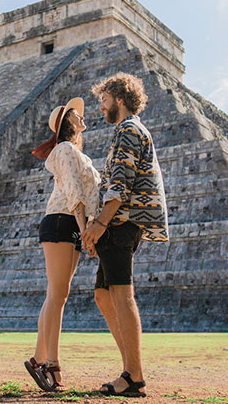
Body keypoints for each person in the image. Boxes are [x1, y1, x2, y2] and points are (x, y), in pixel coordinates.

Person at [81, 73, 168, 398]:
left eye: (103, 99)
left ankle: (134, 376)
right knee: (103, 297)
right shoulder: (128, 130)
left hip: (120, 224)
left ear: (118, 97)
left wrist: (99, 224)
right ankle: (130, 369)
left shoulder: (128, 130)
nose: (100, 107)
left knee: (121, 295)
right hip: (118, 224)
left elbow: (120, 185)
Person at [25, 97, 101, 392]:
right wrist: (86, 231)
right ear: (68, 122)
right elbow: (74, 191)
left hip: (69, 222)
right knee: (57, 296)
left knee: (57, 295)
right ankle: (51, 365)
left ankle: (38, 358)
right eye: (77, 116)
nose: (83, 118)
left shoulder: (74, 151)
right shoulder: (66, 149)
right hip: (61, 220)